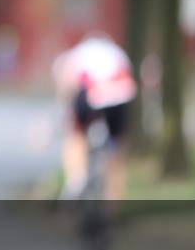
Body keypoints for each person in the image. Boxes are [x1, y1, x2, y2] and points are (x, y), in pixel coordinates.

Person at [51, 32, 137, 202]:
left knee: (76, 133)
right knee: (117, 146)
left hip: (92, 92)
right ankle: (113, 199)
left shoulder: (78, 53)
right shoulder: (118, 52)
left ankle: (76, 177)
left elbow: (67, 82)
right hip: (120, 94)